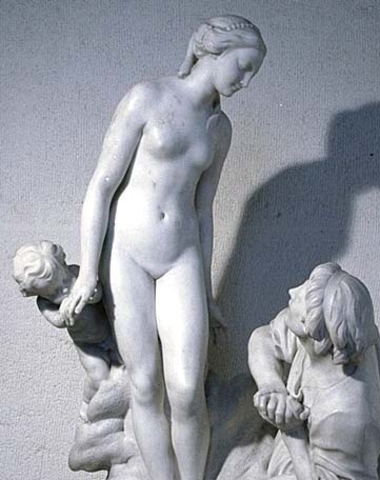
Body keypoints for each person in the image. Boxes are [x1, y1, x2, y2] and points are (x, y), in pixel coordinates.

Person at [60, 15, 266, 480]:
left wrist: (208, 296)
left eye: (253, 73)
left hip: (181, 256)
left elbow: (204, 210)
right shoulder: (147, 98)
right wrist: (89, 270)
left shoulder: (220, 129)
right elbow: (101, 186)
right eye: (243, 66)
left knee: (187, 388)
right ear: (216, 50)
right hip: (127, 255)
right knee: (145, 384)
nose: (246, 81)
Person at [248, 263, 380, 480]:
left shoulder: (346, 420)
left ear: (308, 327)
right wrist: (272, 386)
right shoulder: (341, 328)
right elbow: (264, 338)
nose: (292, 291)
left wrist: (293, 433)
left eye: (300, 297)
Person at [12, 241, 117, 411]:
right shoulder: (44, 303)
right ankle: (87, 401)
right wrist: (65, 312)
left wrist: (89, 295)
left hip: (111, 332)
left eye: (65, 282)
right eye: (54, 293)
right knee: (99, 377)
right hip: (87, 346)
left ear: (64, 264)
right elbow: (57, 321)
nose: (65, 291)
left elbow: (98, 290)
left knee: (129, 365)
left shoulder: (76, 273)